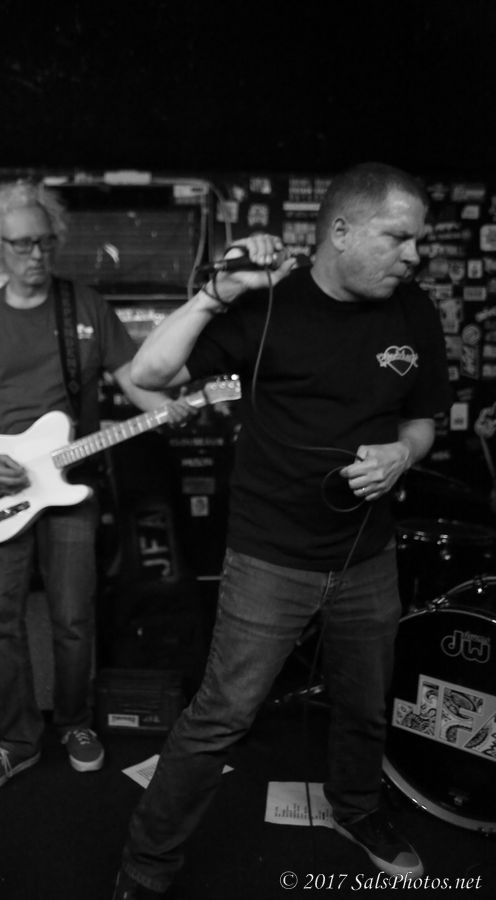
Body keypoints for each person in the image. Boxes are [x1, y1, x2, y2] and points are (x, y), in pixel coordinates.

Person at [112, 162, 453, 898]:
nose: (413, 255)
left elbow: (424, 419)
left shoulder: (414, 310)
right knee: (221, 716)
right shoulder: (269, 306)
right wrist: (216, 293)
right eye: (398, 237)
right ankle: (146, 862)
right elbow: (150, 371)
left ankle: (356, 810)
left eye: (418, 241)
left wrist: (402, 453)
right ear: (341, 231)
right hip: (269, 558)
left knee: (364, 705)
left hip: (367, 554)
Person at [0, 181, 192, 799]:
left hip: (73, 485)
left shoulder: (85, 306)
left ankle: (75, 723)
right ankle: (17, 742)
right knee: (0, 621)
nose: (36, 254)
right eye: (21, 244)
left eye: (45, 241)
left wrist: (166, 409)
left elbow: (132, 377)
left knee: (74, 616)